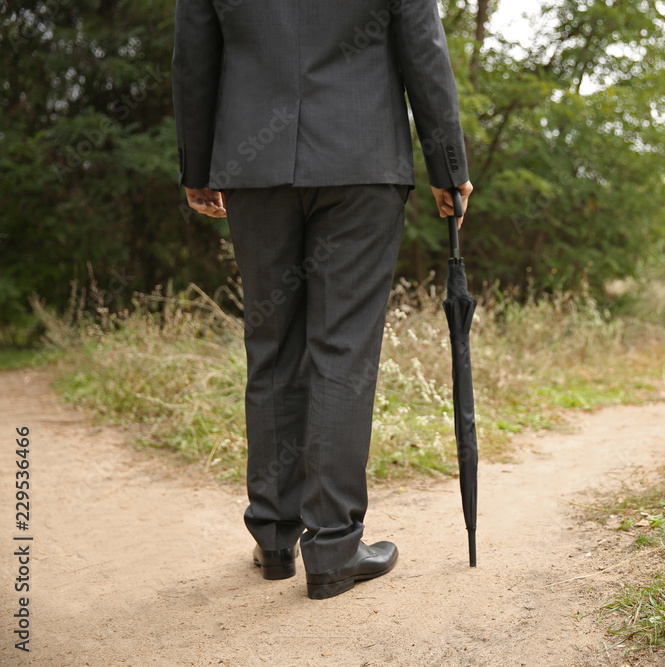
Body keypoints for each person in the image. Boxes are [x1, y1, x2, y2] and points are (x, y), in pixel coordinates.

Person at [172, 0, 474, 600]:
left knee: (272, 345)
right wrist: (447, 165)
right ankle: (333, 547)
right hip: (361, 165)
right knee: (343, 350)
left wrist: (198, 166)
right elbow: (423, 48)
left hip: (254, 168)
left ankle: (276, 535)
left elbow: (195, 59)